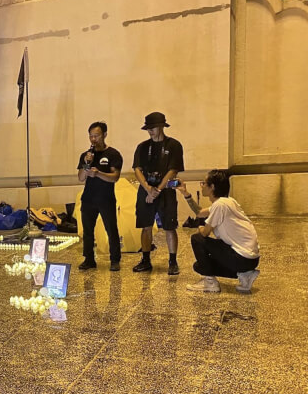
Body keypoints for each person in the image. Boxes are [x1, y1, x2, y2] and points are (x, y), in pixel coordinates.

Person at [177, 170, 260, 293]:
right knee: (199, 266)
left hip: (242, 258)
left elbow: (204, 233)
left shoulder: (220, 205)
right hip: (250, 260)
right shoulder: (228, 201)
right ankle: (245, 274)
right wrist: (185, 193)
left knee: (197, 239)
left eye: (204, 183)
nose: (202, 186)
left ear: (212, 187)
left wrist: (200, 227)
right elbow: (200, 212)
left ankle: (210, 283)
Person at [132, 112, 184, 275]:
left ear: (162, 126)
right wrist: (148, 188)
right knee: (145, 226)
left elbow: (173, 170)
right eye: (148, 128)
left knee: (170, 226)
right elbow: (137, 169)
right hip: (146, 190)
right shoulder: (142, 147)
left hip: (166, 190)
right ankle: (146, 259)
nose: (150, 131)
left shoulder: (173, 145)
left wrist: (158, 189)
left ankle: (173, 261)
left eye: (153, 128)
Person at [77, 122, 123, 271]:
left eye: (96, 136)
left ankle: (115, 259)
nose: (93, 139)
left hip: (106, 198)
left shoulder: (113, 154)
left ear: (104, 135)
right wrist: (86, 164)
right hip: (89, 198)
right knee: (88, 231)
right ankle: (89, 259)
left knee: (111, 229)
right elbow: (81, 178)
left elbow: (114, 177)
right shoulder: (86, 155)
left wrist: (98, 173)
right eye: (90, 136)